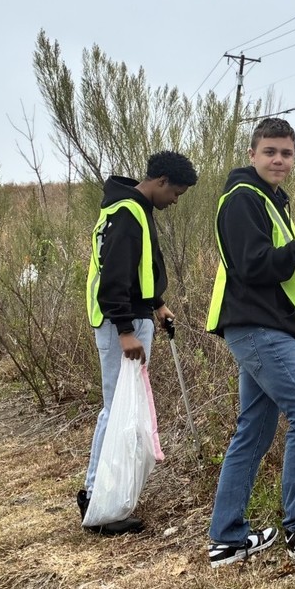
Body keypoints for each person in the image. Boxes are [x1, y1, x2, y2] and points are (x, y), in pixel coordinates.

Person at [205, 117, 295, 567]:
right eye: (270, 151)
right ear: (252, 154)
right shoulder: (242, 200)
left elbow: (283, 288)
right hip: (254, 331)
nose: (279, 160)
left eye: (286, 153)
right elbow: (254, 268)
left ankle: (227, 539)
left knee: (255, 428)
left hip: (265, 328)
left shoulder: (270, 202)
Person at [79, 151, 199, 535]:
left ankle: (105, 494)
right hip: (122, 323)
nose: (175, 202)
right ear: (161, 181)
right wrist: (126, 329)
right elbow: (114, 276)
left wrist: (158, 304)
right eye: (176, 193)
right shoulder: (129, 213)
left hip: (135, 314)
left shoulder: (133, 207)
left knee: (121, 408)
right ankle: (98, 498)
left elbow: (141, 266)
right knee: (115, 409)